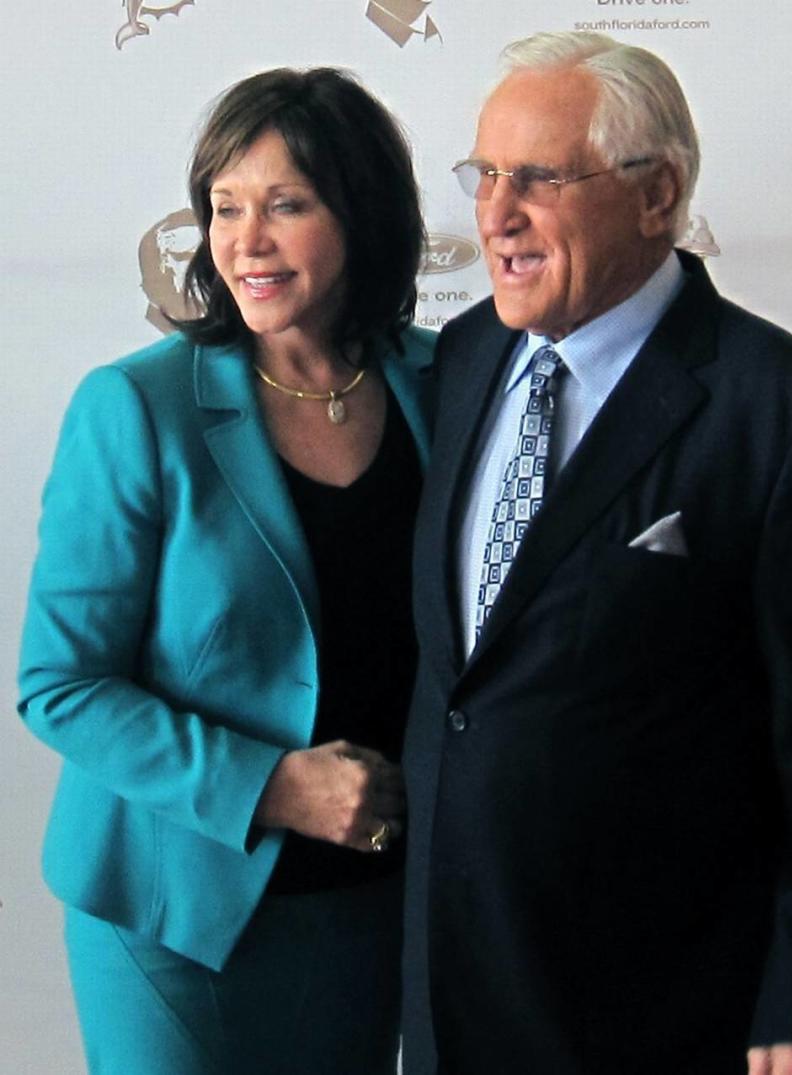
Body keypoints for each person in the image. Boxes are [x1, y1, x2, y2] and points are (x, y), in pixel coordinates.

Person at [401, 31, 792, 1075]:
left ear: (657, 194)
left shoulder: (789, 421)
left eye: (539, 179)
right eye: (485, 175)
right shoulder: (461, 361)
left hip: (659, 1013)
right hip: (450, 996)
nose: (494, 216)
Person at [18, 66, 433, 1074]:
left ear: (363, 214)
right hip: (173, 914)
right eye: (224, 205)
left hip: (383, 902)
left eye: (286, 205)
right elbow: (59, 685)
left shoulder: (447, 379)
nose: (244, 239)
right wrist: (277, 788)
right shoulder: (136, 407)